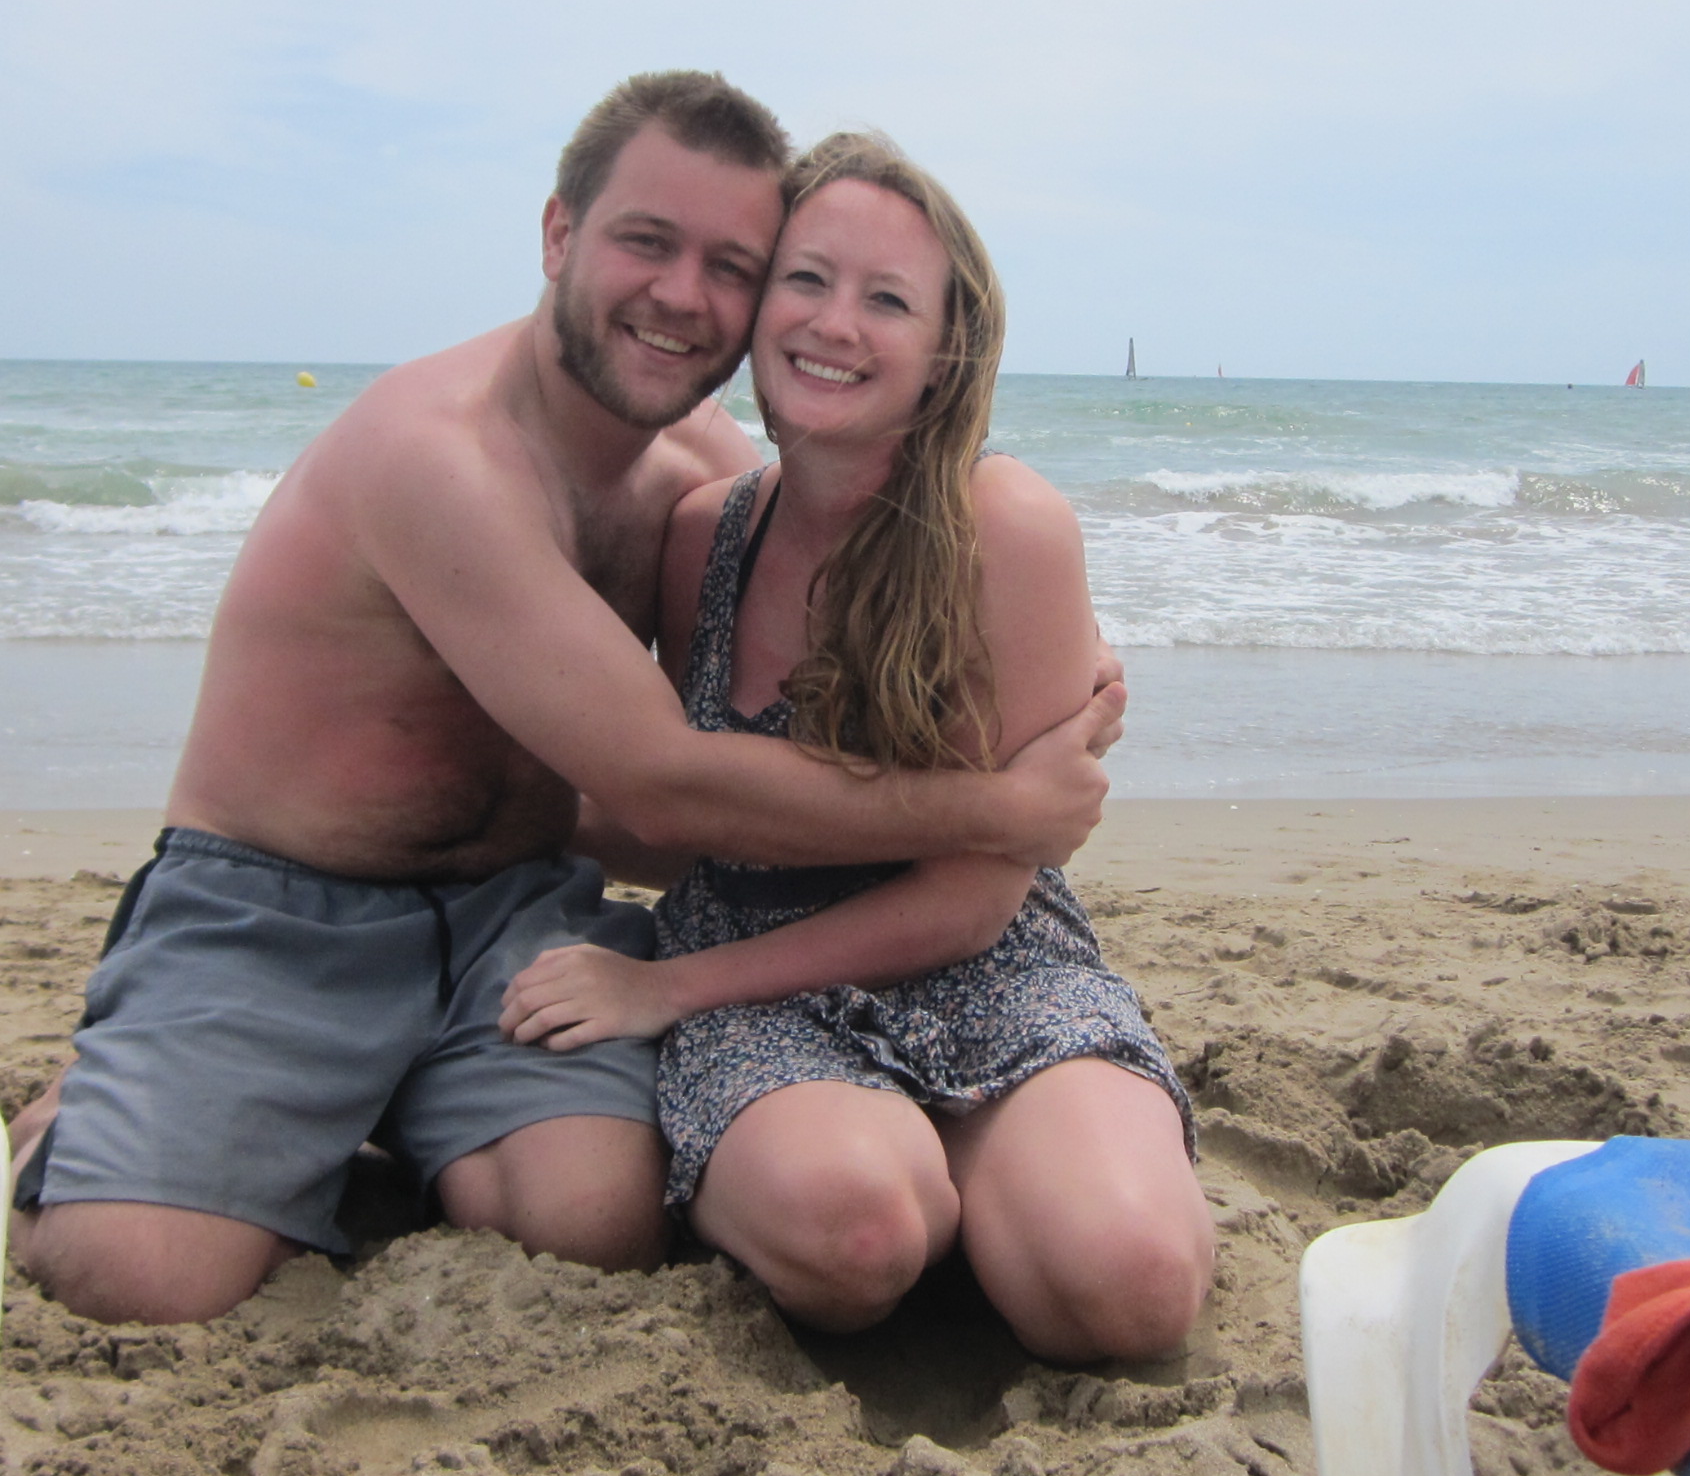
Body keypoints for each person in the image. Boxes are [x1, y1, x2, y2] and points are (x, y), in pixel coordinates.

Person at [6, 74, 1127, 1327]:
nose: (683, 295)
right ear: (559, 235)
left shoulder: (699, 474)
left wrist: (1056, 647)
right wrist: (1000, 810)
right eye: (647, 242)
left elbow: (838, 558)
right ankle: (84, 1120)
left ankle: (369, 1127)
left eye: (731, 266)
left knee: (593, 1224)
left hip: (512, 909)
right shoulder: (437, 454)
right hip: (280, 914)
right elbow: (663, 779)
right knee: (138, 1280)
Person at [498, 133, 1213, 1364]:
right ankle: (919, 1180)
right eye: (807, 279)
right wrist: (498, 812)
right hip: (751, 966)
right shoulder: (701, 538)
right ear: (757, 307)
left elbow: (976, 898)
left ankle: (1001, 1183)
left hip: (987, 961)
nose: (836, 323)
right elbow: (700, 817)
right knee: (857, 1232)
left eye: (887, 299)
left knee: (1128, 1286)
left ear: (946, 350)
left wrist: (663, 991)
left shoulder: (1006, 529)